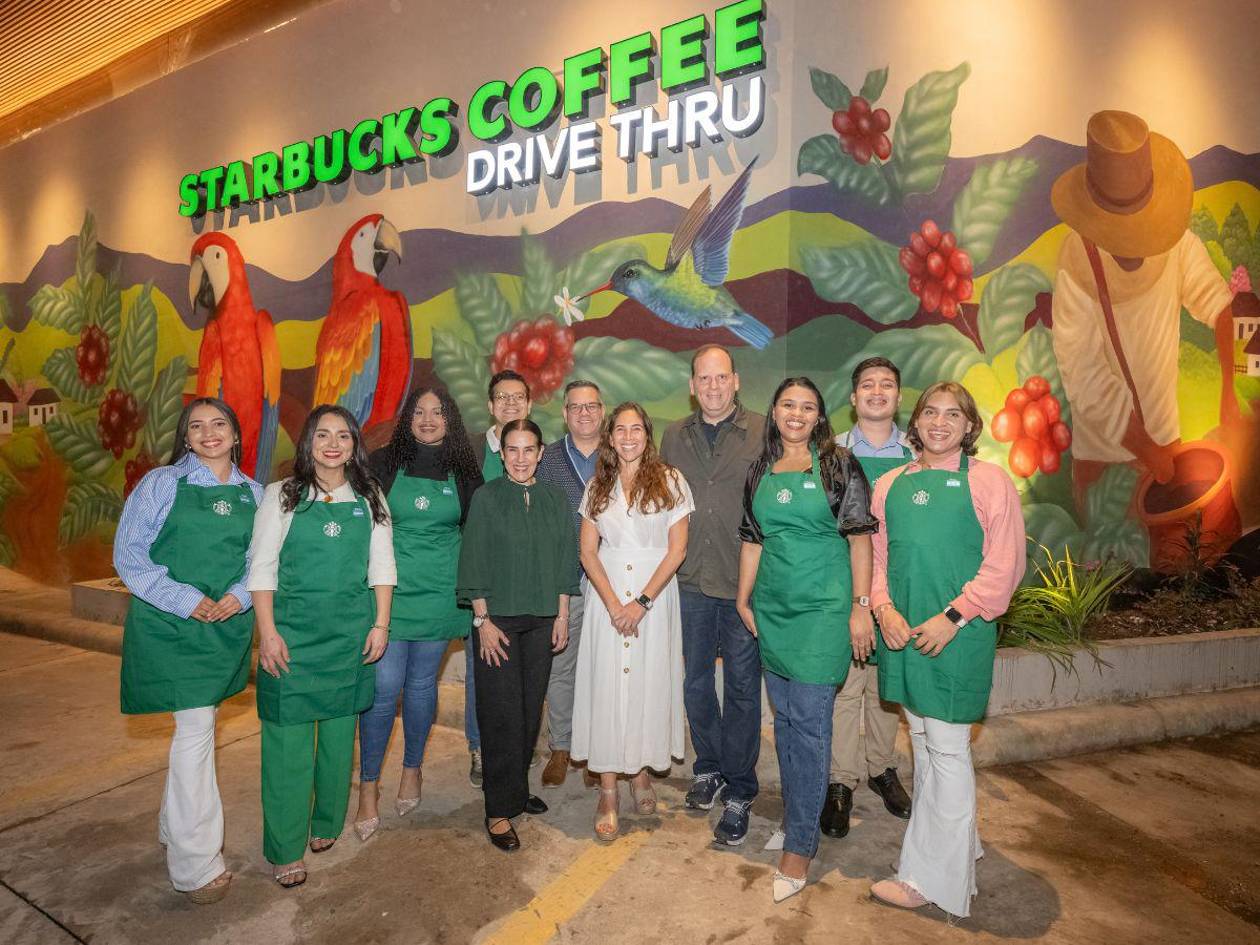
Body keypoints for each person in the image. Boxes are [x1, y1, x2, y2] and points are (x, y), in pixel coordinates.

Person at [868, 382, 1025, 918]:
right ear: (915, 423)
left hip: (957, 636)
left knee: (948, 751)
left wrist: (953, 617)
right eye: (930, 412)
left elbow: (1003, 568)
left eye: (952, 414)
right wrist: (884, 610)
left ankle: (932, 882)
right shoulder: (888, 485)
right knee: (922, 745)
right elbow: (877, 560)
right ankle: (957, 853)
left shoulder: (989, 482)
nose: (940, 422)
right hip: (903, 633)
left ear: (968, 425)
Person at [1050, 110, 1243, 512]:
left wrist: (1230, 391)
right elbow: (1083, 373)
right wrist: (1145, 448)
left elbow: (1223, 309)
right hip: (1103, 462)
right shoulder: (1077, 258)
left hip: (1167, 450)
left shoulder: (1176, 244)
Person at [115, 398, 263, 904]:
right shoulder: (162, 483)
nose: (208, 433)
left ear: (236, 433)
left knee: (195, 731)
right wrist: (186, 600)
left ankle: (171, 828)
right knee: (196, 732)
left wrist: (238, 597)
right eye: (196, 426)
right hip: (169, 625)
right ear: (186, 436)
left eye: (219, 423)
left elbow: (265, 562)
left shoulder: (256, 495)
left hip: (225, 626)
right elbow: (129, 556)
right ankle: (196, 865)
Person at [736, 376, 876, 903]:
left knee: (812, 727)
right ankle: (801, 817)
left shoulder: (840, 465)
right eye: (788, 405)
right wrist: (742, 599)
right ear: (774, 411)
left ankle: (799, 844)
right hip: (774, 610)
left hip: (823, 611)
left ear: (820, 416)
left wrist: (860, 608)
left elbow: (860, 538)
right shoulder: (759, 470)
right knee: (788, 725)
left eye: (808, 407)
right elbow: (753, 540)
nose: (797, 414)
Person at [247, 405, 395, 888]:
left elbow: (382, 568)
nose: (333, 444)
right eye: (324, 435)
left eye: (344, 437)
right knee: (289, 745)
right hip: (292, 637)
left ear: (355, 445)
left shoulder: (370, 497)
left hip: (349, 635)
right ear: (308, 441)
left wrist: (381, 625)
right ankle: (286, 848)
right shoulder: (282, 495)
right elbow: (262, 568)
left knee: (337, 739)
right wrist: (267, 633)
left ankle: (326, 823)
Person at [353, 386, 484, 840]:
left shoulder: (465, 471)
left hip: (440, 595)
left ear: (450, 419)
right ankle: (367, 786)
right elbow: (359, 523)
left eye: (438, 412)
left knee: (422, 684)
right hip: (390, 594)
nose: (428, 419)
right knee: (385, 687)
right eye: (419, 412)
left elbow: (476, 535)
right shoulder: (383, 462)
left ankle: (412, 769)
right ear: (407, 418)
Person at [659, 344, 766, 846]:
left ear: (737, 381)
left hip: (744, 585)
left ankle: (741, 788)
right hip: (691, 583)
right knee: (696, 684)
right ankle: (708, 766)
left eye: (721, 377)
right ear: (692, 385)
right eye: (704, 378)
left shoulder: (764, 431)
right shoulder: (673, 436)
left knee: (743, 691)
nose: (713, 386)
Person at [572, 403, 693, 841]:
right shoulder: (597, 485)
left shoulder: (671, 480)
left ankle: (640, 773)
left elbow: (676, 550)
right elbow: (588, 550)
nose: (628, 437)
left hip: (655, 600)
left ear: (648, 433)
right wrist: (613, 605)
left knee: (645, 685)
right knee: (607, 689)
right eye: (619, 430)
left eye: (636, 428)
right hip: (606, 601)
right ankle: (608, 791)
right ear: (609, 437)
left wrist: (640, 603)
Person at [456, 419, 578, 851]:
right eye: (513, 450)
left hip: (544, 618)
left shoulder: (555, 498)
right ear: (502, 453)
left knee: (528, 712)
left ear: (541, 453)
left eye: (529, 450)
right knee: (501, 714)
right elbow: (472, 559)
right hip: (499, 622)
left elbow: (567, 557)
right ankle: (496, 809)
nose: (521, 458)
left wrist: (562, 614)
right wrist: (482, 620)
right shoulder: (487, 499)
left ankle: (516, 791)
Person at [823, 357, 914, 838]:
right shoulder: (831, 452)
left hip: (899, 590)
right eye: (867, 385)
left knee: (886, 686)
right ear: (853, 397)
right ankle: (841, 780)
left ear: (899, 397)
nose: (877, 392)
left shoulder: (920, 453)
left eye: (887, 384)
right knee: (846, 686)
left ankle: (881, 768)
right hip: (845, 587)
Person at [464, 368, 533, 786]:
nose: (510, 404)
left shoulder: (538, 449)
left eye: (518, 397)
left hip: (526, 583)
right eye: (502, 398)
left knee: (522, 670)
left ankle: (517, 747)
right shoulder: (470, 451)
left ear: (529, 403)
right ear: (490, 406)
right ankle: (479, 745)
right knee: (480, 667)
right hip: (484, 583)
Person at [535, 380, 605, 787]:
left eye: (591, 406)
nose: (584, 413)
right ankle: (561, 746)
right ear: (564, 413)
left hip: (611, 583)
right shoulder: (548, 461)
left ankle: (597, 751)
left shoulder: (618, 455)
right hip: (566, 583)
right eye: (575, 406)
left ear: (602, 411)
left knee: (604, 669)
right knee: (561, 667)